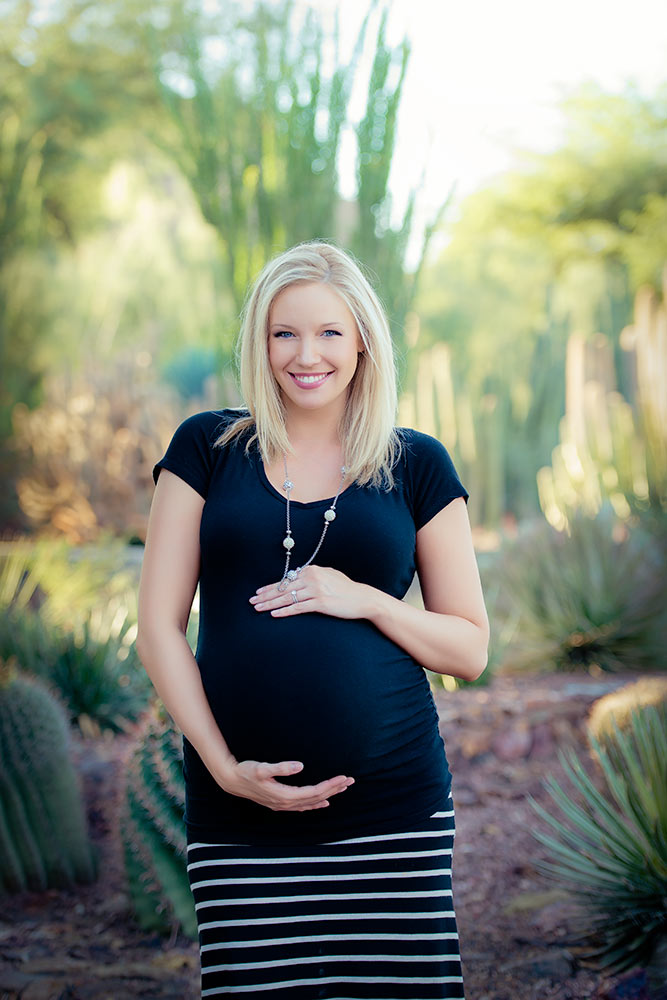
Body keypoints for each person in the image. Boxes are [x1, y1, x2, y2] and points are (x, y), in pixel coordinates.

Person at [137, 240, 489, 999]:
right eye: (283, 333)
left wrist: (363, 598)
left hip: (392, 807)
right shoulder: (206, 449)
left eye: (329, 332)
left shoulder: (415, 464)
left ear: (362, 339)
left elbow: (468, 648)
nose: (306, 355)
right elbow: (158, 627)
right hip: (241, 812)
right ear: (259, 344)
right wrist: (224, 768)